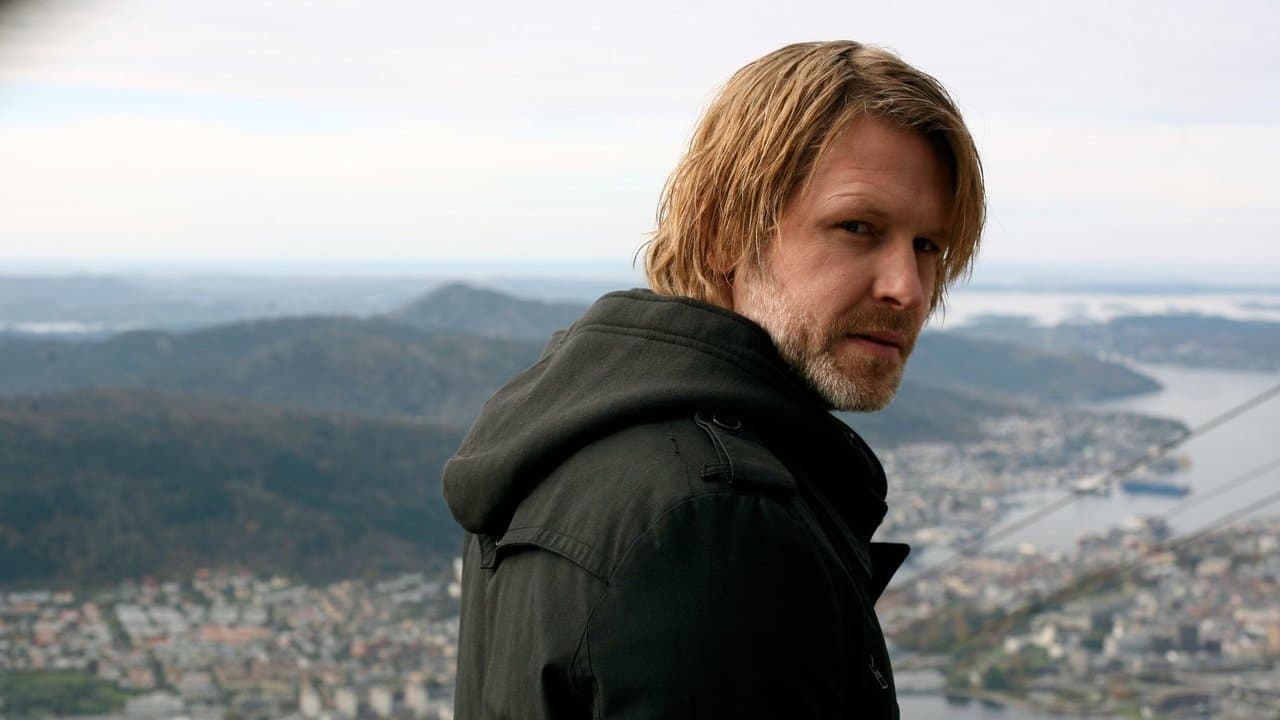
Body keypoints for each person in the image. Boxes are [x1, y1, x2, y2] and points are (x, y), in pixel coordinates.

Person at [443, 40, 985, 719]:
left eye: (927, 246)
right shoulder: (716, 521)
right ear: (721, 234)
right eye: (857, 227)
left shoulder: (563, 445)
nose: (907, 286)